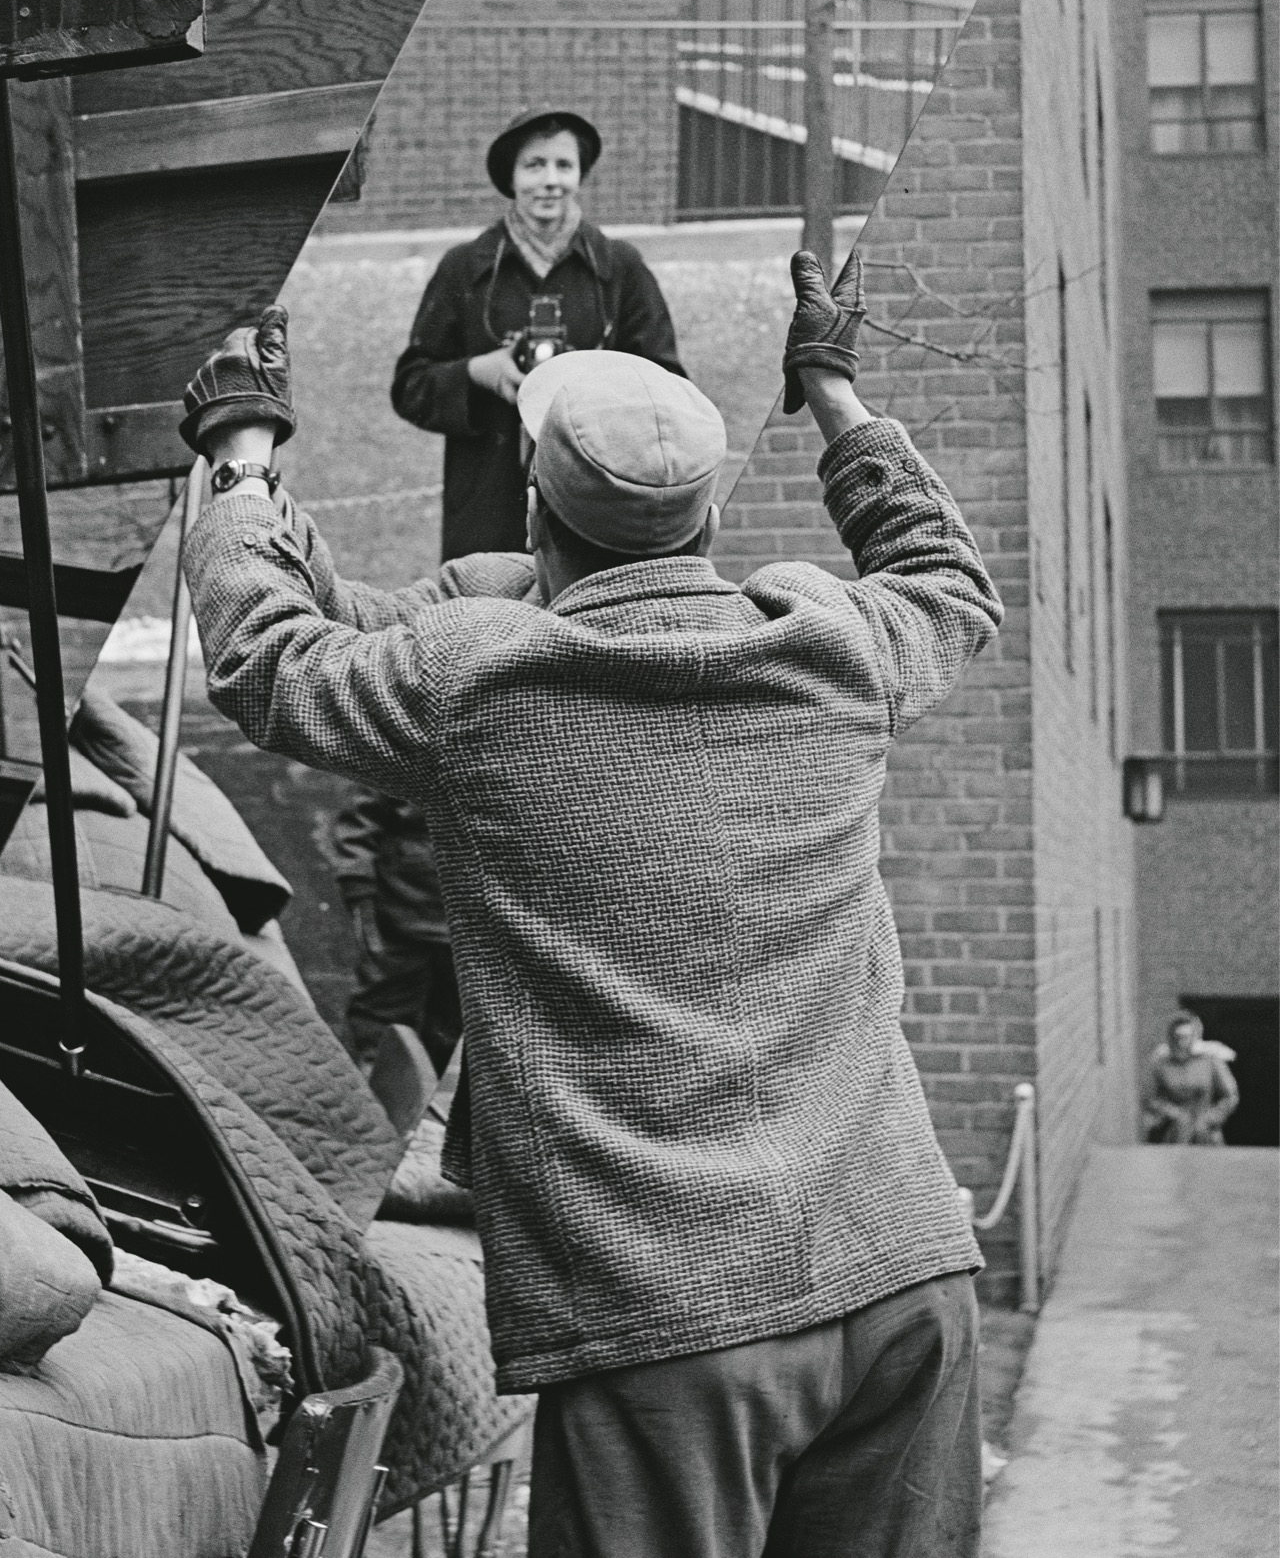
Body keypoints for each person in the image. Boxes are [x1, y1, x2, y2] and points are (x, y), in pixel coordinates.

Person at [177, 252, 1000, 1558]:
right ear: (707, 524)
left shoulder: (480, 684)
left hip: (674, 1326)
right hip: (907, 1278)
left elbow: (269, 652)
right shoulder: (827, 645)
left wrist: (243, 456)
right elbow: (946, 576)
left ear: (534, 512)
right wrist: (832, 385)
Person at [391, 107, 683, 561]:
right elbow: (411, 387)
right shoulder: (464, 268)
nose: (550, 181)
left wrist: (592, 386)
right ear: (511, 177)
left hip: (594, 508)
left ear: (580, 174)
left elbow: (666, 385)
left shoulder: (619, 268)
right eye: (534, 165)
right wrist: (476, 373)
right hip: (487, 508)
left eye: (563, 165)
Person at [329, 783, 461, 1074]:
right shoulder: (409, 749)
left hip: (466, 923)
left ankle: (421, 1090)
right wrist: (358, 886)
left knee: (450, 1023)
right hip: (398, 911)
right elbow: (359, 822)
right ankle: (372, 1082)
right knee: (380, 1012)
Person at [1142, 1011, 1240, 1144]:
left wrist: (1212, 1117)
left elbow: (1230, 1096)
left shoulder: (1210, 1060)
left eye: (1186, 1037)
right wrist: (1171, 1112)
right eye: (1177, 1037)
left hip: (1205, 1127)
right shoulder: (1161, 1063)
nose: (1181, 1043)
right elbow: (1150, 1097)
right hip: (1174, 1129)